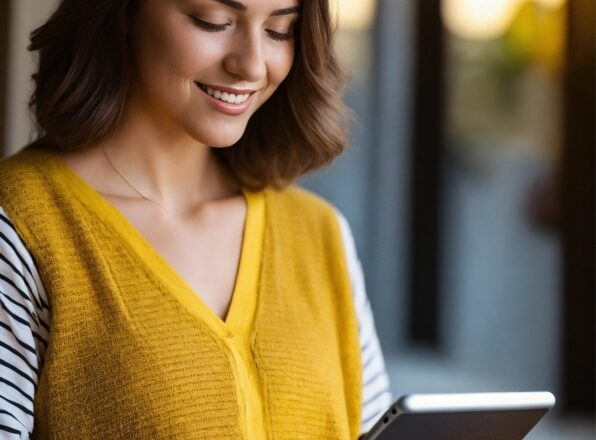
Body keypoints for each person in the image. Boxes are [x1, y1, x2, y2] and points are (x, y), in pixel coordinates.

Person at [0, 0, 392, 438]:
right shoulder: (20, 227)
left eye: (280, 30)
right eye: (214, 22)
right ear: (125, 12)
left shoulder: (321, 235)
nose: (251, 65)